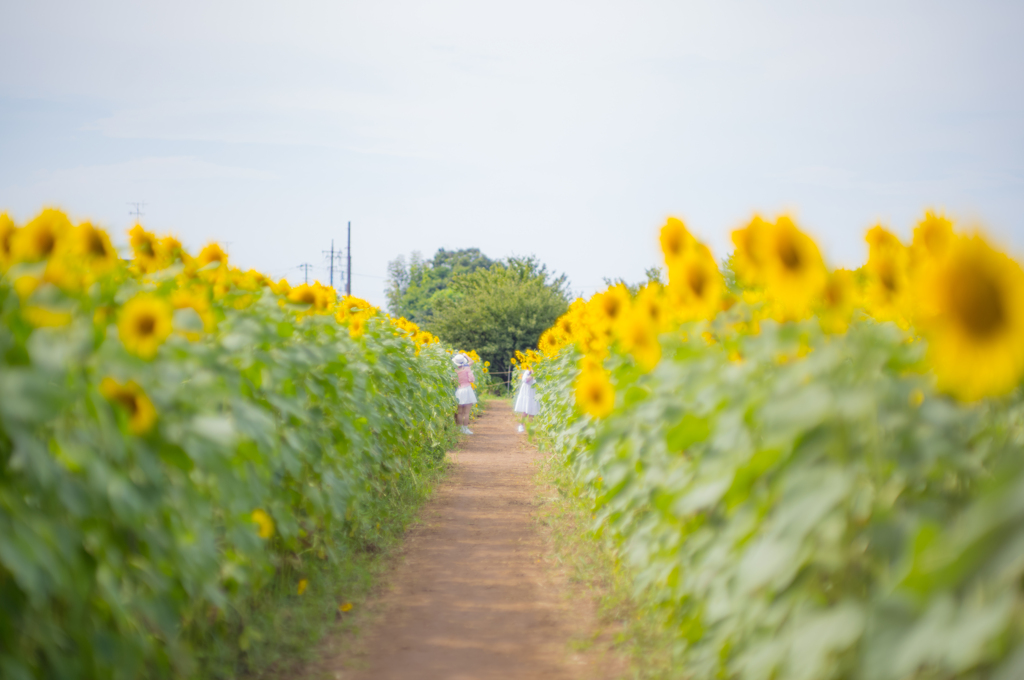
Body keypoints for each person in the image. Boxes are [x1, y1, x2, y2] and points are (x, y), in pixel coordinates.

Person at [452, 353, 477, 434]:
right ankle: (465, 429)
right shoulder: (467, 368)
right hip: (467, 390)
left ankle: (460, 429)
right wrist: (465, 355)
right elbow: (472, 379)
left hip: (459, 391)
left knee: (459, 412)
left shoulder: (454, 370)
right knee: (466, 412)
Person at [513, 368, 538, 432]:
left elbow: (537, 381)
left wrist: (535, 374)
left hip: (533, 393)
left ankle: (530, 427)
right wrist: (532, 374)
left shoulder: (538, 372)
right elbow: (525, 380)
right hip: (527, 393)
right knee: (525, 411)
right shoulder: (527, 372)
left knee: (532, 412)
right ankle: (521, 425)